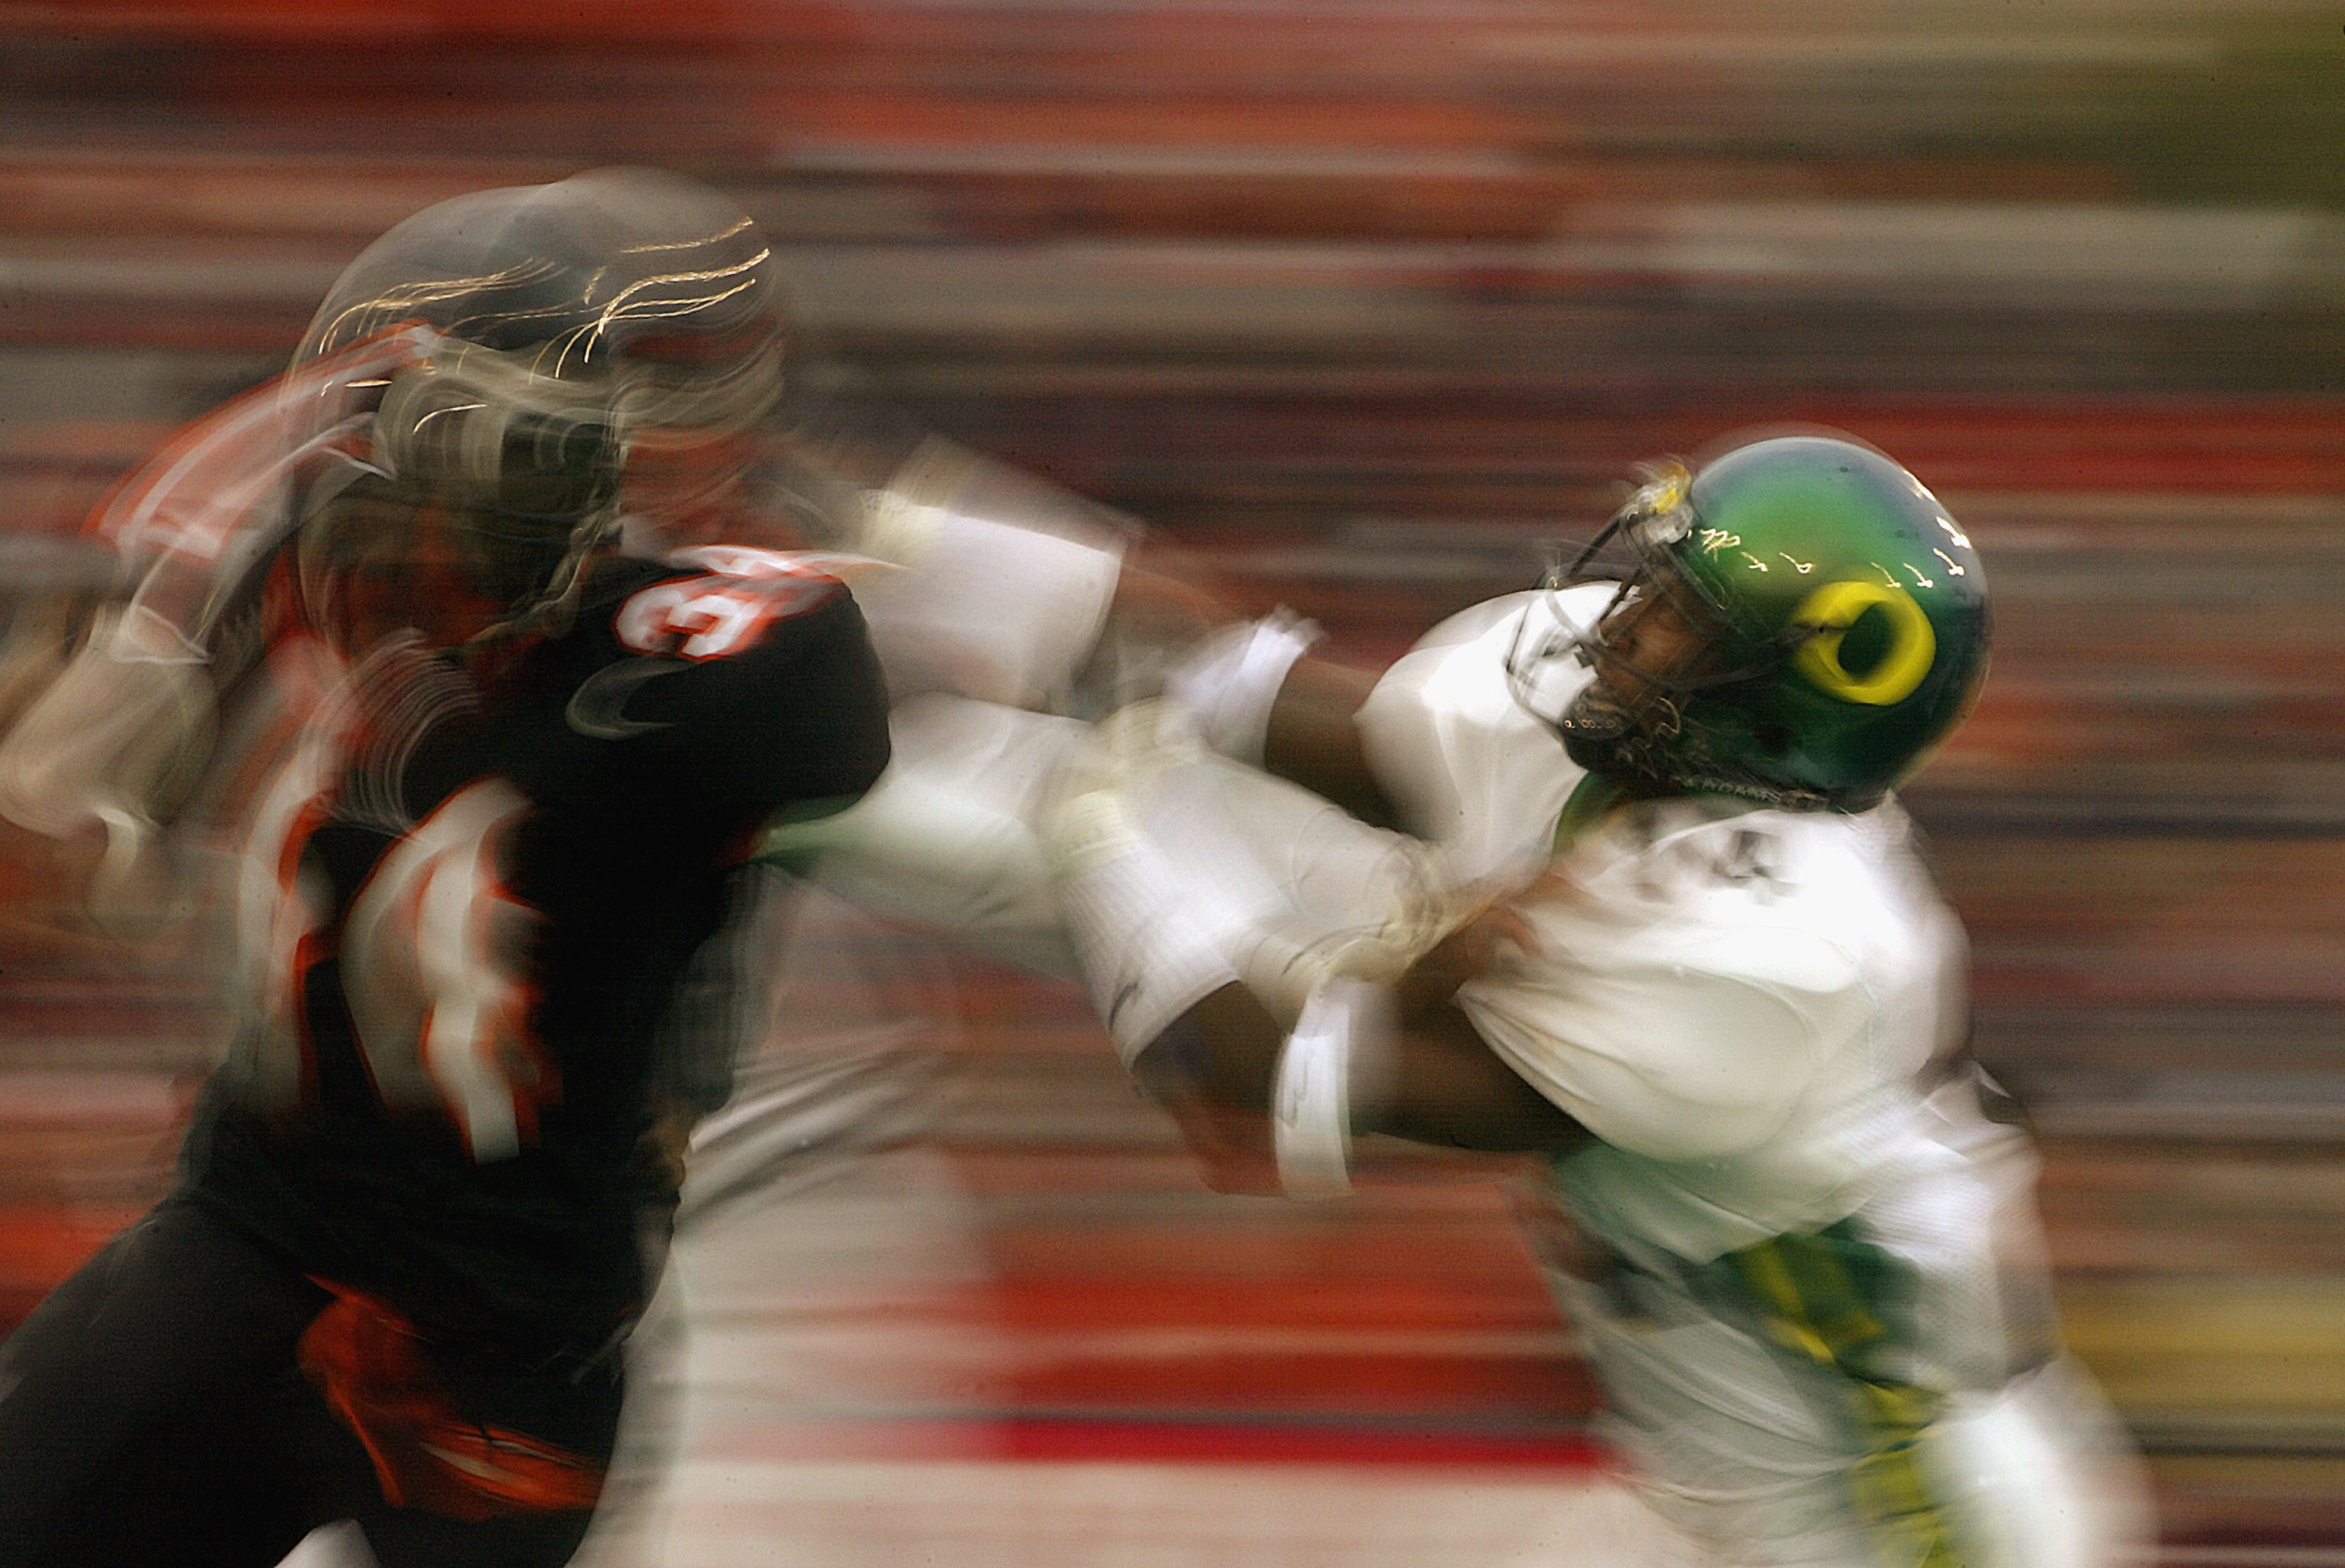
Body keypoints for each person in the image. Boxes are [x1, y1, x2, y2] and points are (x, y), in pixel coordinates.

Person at [1036, 433, 2151, 1565]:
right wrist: (930, 549)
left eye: (1685, 622)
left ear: (1780, 707)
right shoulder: (1644, 769)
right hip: (1723, 1492)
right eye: (1661, 584)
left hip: (1906, 1520)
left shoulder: (1782, 952)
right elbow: (1257, 694)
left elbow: (1266, 1067)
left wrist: (1091, 819)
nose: (1622, 627)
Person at [0, 171, 895, 1566]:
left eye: (437, 445)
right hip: (250, 1247)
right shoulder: (292, 570)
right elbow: (36, 834)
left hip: (508, 1332)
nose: (367, 480)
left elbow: (809, 703)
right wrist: (161, 628)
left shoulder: (699, 654)